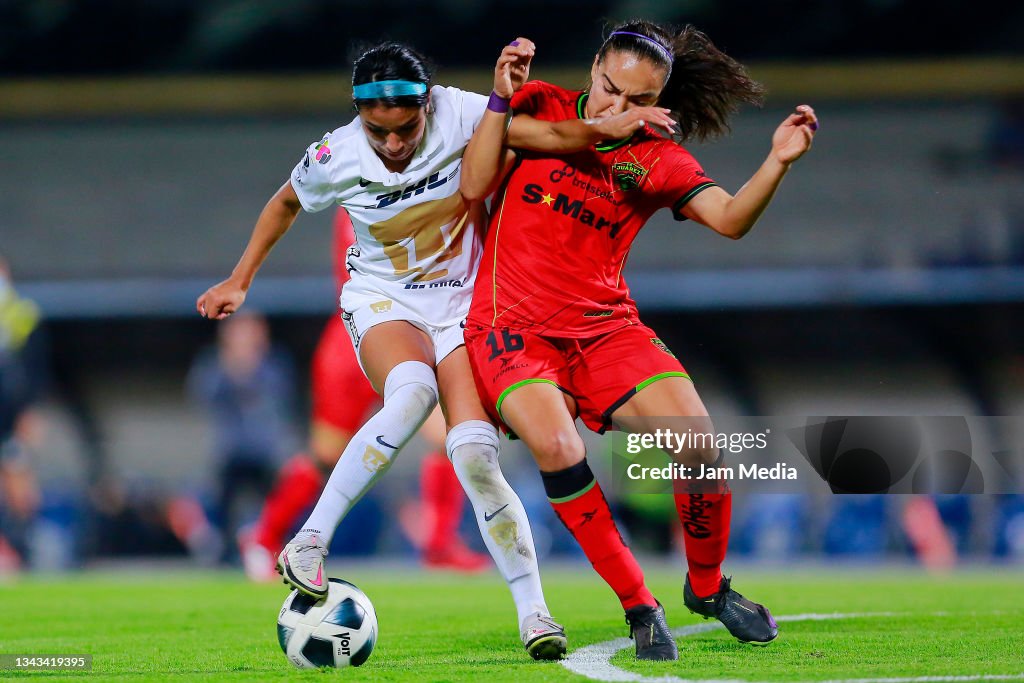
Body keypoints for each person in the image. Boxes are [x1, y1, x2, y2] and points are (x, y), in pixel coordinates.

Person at [196, 38, 673, 659]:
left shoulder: (464, 114)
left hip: (461, 304)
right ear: (360, 117)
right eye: (379, 133)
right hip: (383, 298)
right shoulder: (335, 153)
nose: (393, 146)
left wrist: (617, 122)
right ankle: (309, 540)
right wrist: (240, 279)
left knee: (475, 455)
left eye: (406, 129)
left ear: (428, 104)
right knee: (412, 393)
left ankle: (535, 614)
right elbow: (286, 202)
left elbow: (551, 138)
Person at [460, 20, 817, 660]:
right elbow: (476, 180)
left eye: (637, 101)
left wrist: (777, 161)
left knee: (700, 445)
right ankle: (637, 605)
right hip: (512, 326)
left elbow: (731, 220)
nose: (618, 107)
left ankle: (707, 590)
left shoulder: (656, 156)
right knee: (558, 446)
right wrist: (579, 123)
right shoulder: (538, 103)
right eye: (607, 90)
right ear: (593, 68)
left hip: (606, 329)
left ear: (660, 100)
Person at [240, 207, 488, 578]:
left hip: (408, 330)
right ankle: (264, 535)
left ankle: (438, 544)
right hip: (359, 334)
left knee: (446, 435)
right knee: (326, 454)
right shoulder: (367, 188)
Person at [187, 310, 299, 561]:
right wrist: (232, 366)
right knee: (223, 509)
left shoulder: (273, 363)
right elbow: (203, 394)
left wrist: (250, 367)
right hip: (230, 451)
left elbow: (281, 398)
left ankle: (282, 557)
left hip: (266, 451)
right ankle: (225, 560)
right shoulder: (215, 364)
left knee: (279, 509)